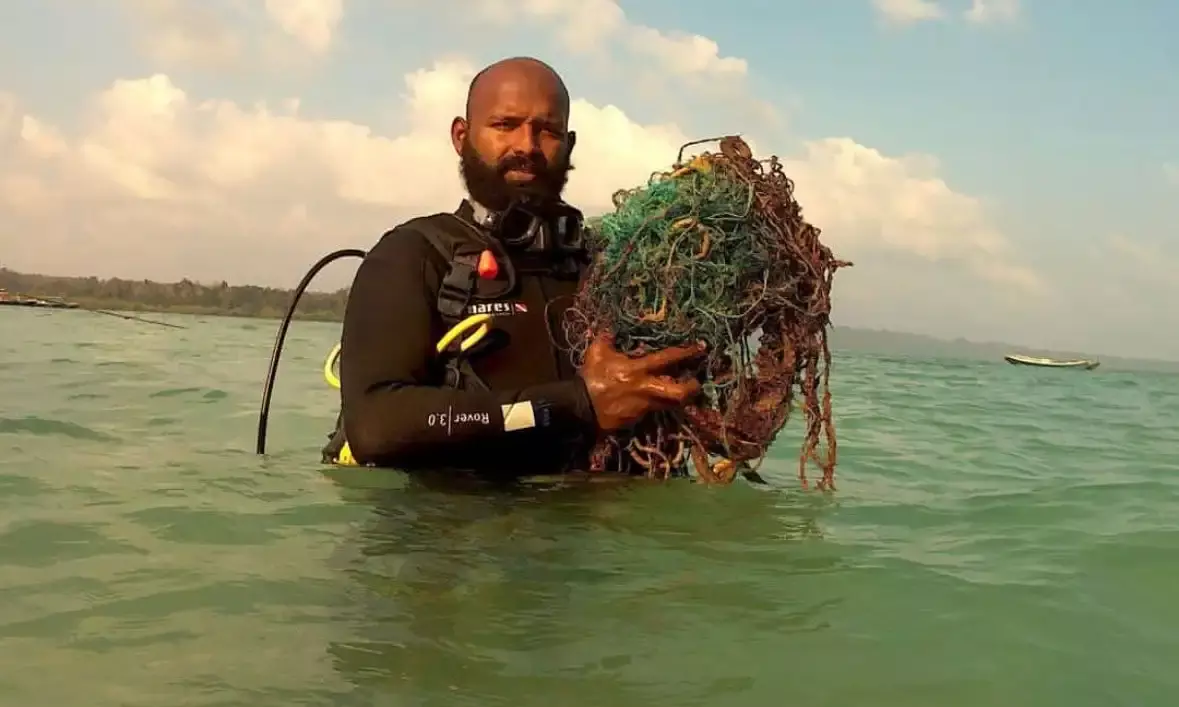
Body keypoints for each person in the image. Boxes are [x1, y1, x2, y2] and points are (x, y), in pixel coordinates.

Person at [323, 56, 704, 476]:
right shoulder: (414, 254)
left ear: (569, 144)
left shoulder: (609, 268)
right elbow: (376, 425)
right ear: (461, 136)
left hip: (595, 532)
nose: (526, 145)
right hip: (458, 533)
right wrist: (576, 403)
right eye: (505, 125)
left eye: (548, 130)